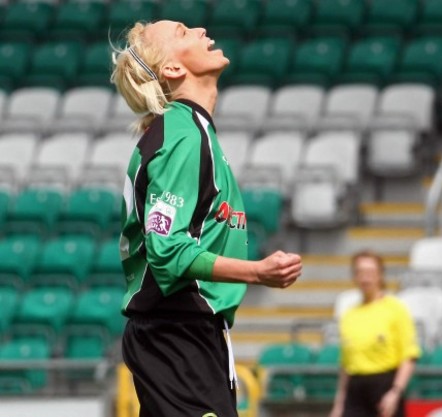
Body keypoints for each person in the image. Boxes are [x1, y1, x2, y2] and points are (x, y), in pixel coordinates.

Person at [111, 20, 302, 417]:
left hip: (189, 334)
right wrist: (257, 272)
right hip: (175, 334)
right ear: (172, 70)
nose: (200, 29)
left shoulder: (190, 131)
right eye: (182, 32)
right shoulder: (182, 136)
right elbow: (167, 251)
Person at [330, 251, 420, 417]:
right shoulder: (349, 314)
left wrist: (395, 392)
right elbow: (346, 365)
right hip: (355, 391)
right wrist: (339, 403)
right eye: (360, 272)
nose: (366, 278)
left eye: (370, 272)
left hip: (384, 386)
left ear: (380, 275)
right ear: (354, 276)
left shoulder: (395, 309)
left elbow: (409, 356)